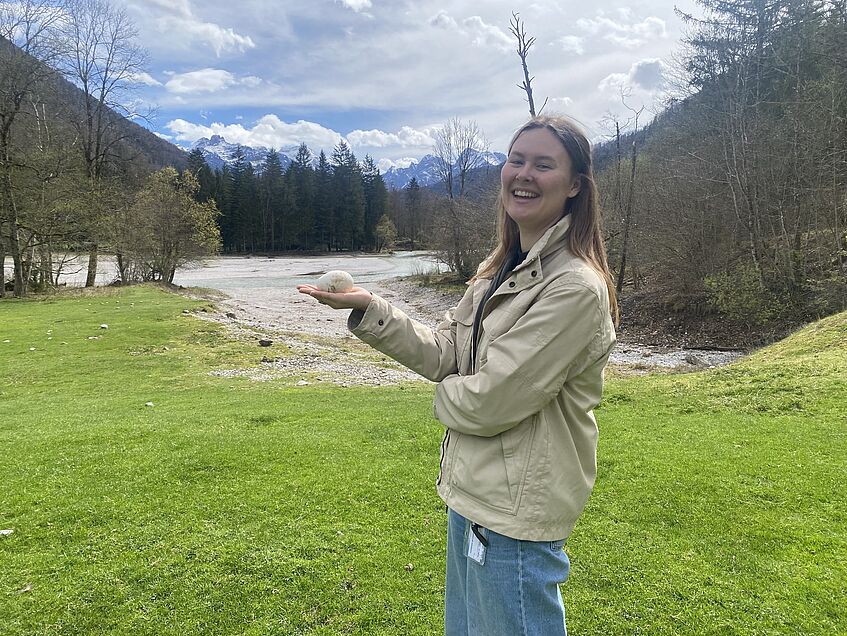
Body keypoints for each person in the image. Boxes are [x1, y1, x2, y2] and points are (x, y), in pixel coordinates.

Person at [297, 114, 618, 636]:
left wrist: (443, 402)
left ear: (575, 186)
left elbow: (491, 401)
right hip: (474, 495)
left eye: (543, 164)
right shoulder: (499, 269)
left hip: (515, 510)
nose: (524, 174)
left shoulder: (573, 288)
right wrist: (370, 307)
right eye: (516, 160)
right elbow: (449, 350)